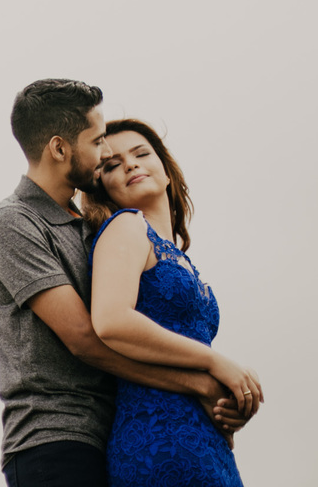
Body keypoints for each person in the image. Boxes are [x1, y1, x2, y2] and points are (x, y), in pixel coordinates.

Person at [0, 79, 247, 487]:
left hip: (111, 431)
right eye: (98, 141)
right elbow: (85, 338)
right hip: (56, 439)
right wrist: (199, 383)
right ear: (59, 149)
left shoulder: (91, 228)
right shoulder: (12, 223)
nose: (105, 153)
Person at [83, 119, 262, 486]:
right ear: (104, 188)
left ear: (166, 172)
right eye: (113, 164)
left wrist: (233, 399)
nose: (130, 164)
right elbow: (111, 321)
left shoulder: (179, 256)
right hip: (159, 438)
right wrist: (215, 362)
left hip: (206, 440)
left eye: (141, 154)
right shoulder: (126, 226)